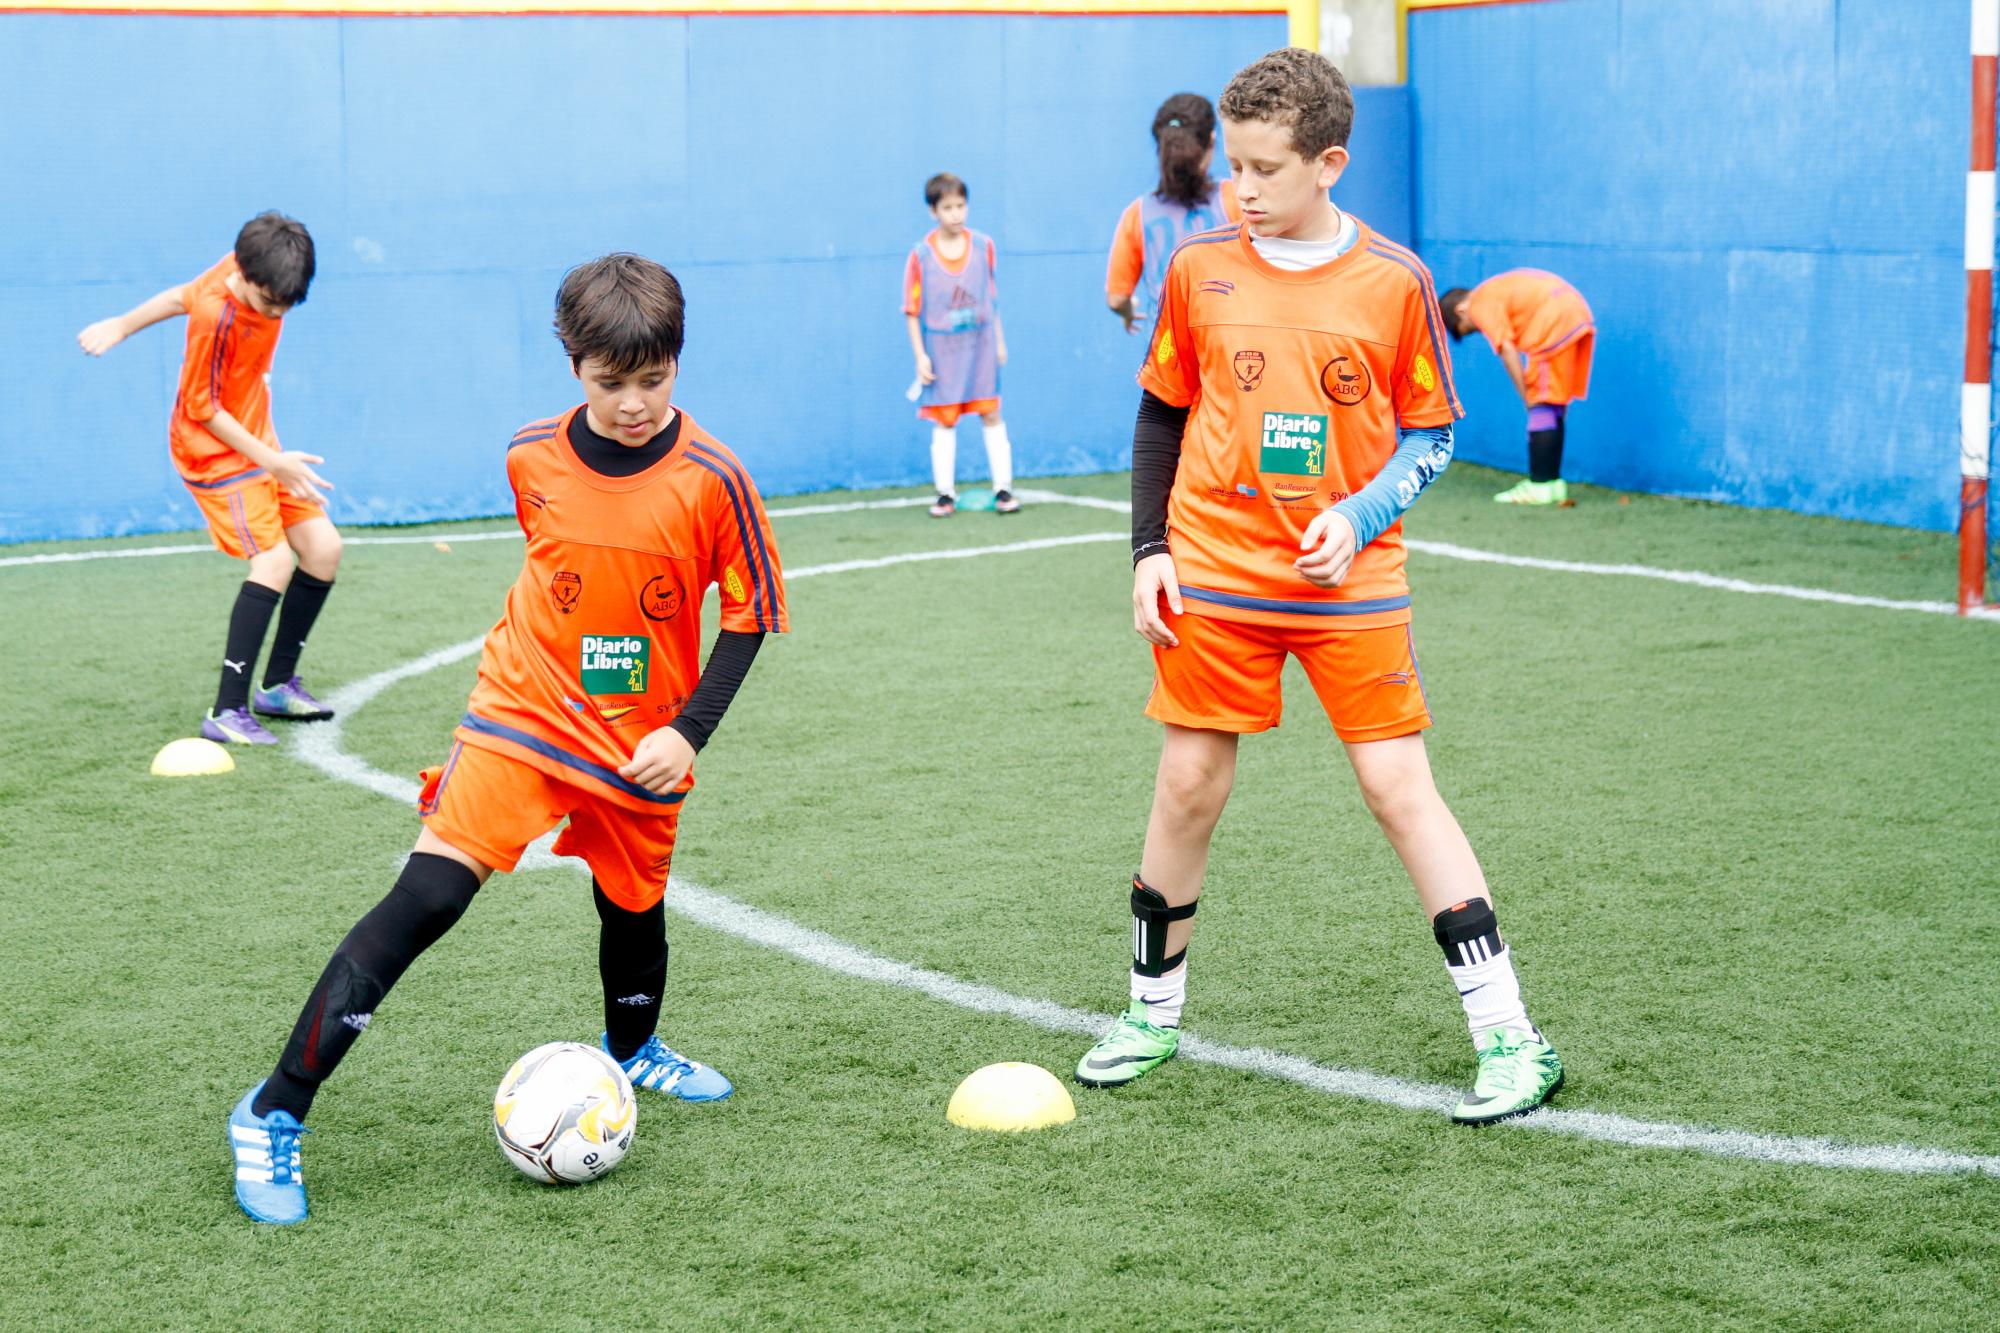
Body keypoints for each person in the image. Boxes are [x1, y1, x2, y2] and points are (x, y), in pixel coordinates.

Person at [225, 254, 789, 1224]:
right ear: (572, 364)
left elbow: (747, 616)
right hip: (521, 713)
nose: (632, 404)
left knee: (634, 909)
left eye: (653, 381)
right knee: (427, 896)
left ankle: (632, 1054)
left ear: (677, 366)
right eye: (611, 383)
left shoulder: (716, 480)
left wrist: (687, 731)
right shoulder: (530, 454)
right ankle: (273, 1109)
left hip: (638, 741)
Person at [1075, 49, 1563, 1125]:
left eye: (1261, 169)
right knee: (1186, 787)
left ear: (1327, 163)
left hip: (1348, 586)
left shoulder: (1392, 284)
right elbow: (1161, 411)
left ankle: (1510, 1037)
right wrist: (1146, 551)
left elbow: (1432, 437)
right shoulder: (1199, 269)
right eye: (1229, 170)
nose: (1239, 190)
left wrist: (1356, 516)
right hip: (1212, 571)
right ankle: (1149, 1013)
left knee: (1398, 790)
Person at [77, 212, 342, 743]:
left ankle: (277, 685)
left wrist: (123, 324)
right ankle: (227, 711)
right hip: (215, 455)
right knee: (274, 560)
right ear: (243, 278)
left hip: (258, 443)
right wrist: (273, 461)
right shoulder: (216, 316)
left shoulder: (253, 265)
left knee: (324, 549)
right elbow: (202, 408)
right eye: (269, 303)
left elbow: (178, 293)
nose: (275, 312)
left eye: (286, 304)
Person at [903, 172, 1019, 517]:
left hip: (980, 347)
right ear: (933, 211)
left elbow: (992, 298)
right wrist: (920, 356)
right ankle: (945, 494)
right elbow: (911, 310)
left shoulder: (984, 246)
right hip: (943, 353)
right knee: (945, 420)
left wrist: (999, 341)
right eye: (947, 207)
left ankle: (1004, 489)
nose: (956, 213)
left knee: (991, 412)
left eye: (960, 205)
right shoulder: (921, 256)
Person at [1440, 271, 1595, 505]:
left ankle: (1540, 486)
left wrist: (1527, 397)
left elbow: (1507, 349)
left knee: (1539, 403)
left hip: (1553, 321)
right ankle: (1552, 484)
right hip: (1576, 313)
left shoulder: (1479, 302)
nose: (1480, 330)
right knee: (1553, 403)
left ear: (1461, 310)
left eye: (1470, 329)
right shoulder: (1494, 290)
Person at [1105, 92, 1242, 335]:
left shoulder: (1137, 214)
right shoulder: (1237, 199)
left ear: (1161, 146)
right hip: (1228, 343)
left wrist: (1128, 313)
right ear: (1211, 140)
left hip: (1168, 350)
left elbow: (1116, 299)